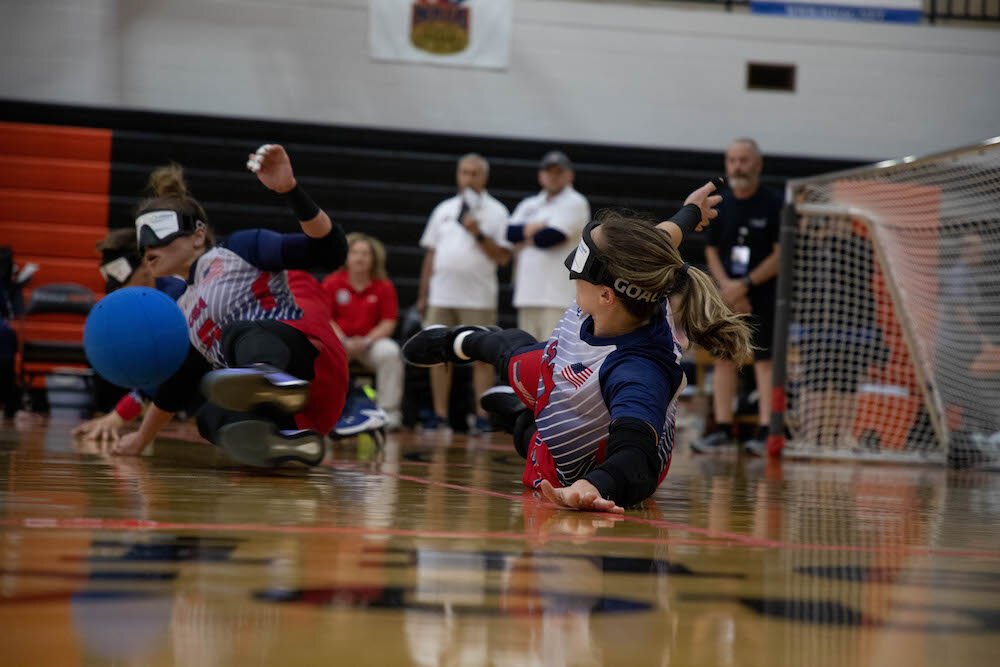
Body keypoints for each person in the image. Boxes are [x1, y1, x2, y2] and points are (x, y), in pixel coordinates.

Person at [402, 181, 751, 512]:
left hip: (590, 459)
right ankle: (463, 340)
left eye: (582, 263)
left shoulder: (639, 372)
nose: (572, 272)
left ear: (606, 294)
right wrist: (691, 212)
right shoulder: (636, 284)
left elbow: (636, 459)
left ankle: (520, 419)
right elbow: (660, 238)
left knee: (540, 447)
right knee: (514, 353)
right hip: (572, 361)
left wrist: (593, 486)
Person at [111, 144, 349, 466]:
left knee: (235, 332)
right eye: (142, 237)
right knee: (210, 416)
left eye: (160, 230)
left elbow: (330, 251)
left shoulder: (237, 249)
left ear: (198, 235)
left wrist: (291, 191)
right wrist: (139, 441)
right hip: (299, 413)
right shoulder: (182, 312)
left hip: (310, 365)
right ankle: (286, 443)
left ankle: (268, 376)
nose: (148, 245)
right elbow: (174, 391)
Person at [693, 138, 782, 457]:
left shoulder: (773, 203)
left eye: (744, 160)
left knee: (764, 361)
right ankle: (721, 428)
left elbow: (780, 254)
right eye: (732, 160)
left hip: (764, 293)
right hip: (726, 294)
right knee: (723, 358)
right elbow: (711, 250)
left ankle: (766, 431)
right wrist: (727, 288)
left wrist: (744, 284)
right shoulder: (722, 203)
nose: (737, 167)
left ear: (758, 164)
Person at [416, 153, 512, 432]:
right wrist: (424, 295)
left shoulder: (498, 212)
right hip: (441, 296)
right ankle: (440, 416)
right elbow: (430, 255)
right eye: (464, 172)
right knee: (438, 356)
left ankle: (481, 417)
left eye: (474, 173)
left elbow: (503, 258)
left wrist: (477, 232)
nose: (468, 178)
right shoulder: (443, 209)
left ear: (485, 177)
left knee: (481, 358)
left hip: (477, 298)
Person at [322, 232, 404, 431]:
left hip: (370, 344)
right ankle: (326, 411)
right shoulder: (332, 282)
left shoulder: (384, 286)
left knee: (390, 352)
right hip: (340, 343)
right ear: (347, 257)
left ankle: (388, 412)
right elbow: (324, 317)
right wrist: (343, 340)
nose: (360, 258)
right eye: (355, 252)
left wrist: (366, 341)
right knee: (321, 352)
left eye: (365, 254)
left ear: (374, 259)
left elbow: (388, 322)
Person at [506, 150, 591, 341]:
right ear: (540, 175)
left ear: (569, 175)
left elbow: (550, 237)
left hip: (557, 297)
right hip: (527, 294)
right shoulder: (530, 203)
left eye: (558, 172)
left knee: (552, 351)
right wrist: (533, 230)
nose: (553, 176)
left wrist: (525, 235)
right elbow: (509, 233)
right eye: (549, 172)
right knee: (526, 351)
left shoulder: (575, 202)